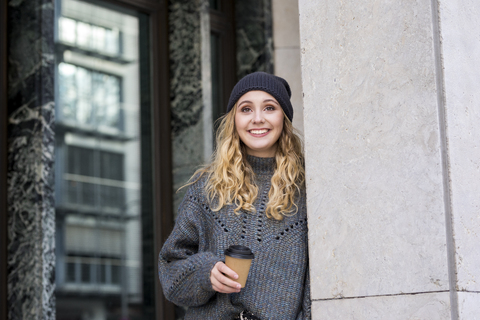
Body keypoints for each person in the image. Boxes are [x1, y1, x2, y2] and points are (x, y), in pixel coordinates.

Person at [158, 72, 310, 320]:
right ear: (234, 120)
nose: (258, 119)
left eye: (269, 108)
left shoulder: (307, 192)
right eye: (246, 109)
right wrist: (205, 274)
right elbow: (170, 272)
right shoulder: (206, 189)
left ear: (284, 117)